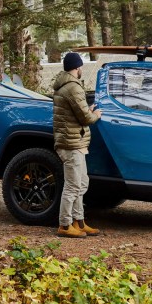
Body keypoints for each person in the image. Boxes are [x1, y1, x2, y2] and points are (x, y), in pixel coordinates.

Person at [53, 52, 103, 238]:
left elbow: (75, 113)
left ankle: (79, 221)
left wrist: (87, 110)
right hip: (71, 143)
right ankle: (65, 225)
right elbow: (85, 117)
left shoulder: (64, 86)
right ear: (77, 67)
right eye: (80, 66)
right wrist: (95, 115)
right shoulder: (73, 87)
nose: (82, 69)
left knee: (82, 182)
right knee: (73, 185)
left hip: (74, 141)